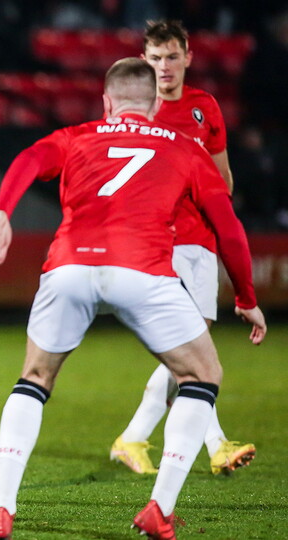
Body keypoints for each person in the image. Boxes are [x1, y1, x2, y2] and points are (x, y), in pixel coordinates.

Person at [0, 58, 266, 539]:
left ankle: (0, 509)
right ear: (155, 104)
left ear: (107, 102)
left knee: (34, 378)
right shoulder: (185, 148)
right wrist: (245, 295)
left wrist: (2, 208)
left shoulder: (76, 135)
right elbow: (229, 228)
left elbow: (29, 158)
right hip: (141, 271)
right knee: (202, 374)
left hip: (69, 267)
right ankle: (160, 510)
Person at [109, 20, 255, 478]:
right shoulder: (139, 111)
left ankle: (133, 437)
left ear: (188, 57)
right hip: (161, 241)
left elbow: (223, 179)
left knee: (191, 346)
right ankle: (214, 444)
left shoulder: (204, 108)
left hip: (201, 241)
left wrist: (211, 202)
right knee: (191, 346)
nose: (164, 67)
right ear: (144, 61)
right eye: (155, 59)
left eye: (172, 57)